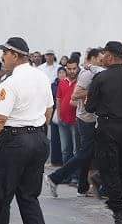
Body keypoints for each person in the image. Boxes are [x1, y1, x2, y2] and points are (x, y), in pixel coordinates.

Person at [0, 37, 53, 224]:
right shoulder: (42, 77)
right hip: (38, 139)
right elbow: (49, 110)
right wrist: (38, 131)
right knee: (29, 197)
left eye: (5, 53)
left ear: (15, 55)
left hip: (14, 142)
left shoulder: (10, 82)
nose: (2, 58)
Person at [85, 41, 122, 224]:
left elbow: (90, 106)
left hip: (108, 128)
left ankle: (119, 213)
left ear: (110, 56)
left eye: (104, 54)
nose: (102, 58)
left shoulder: (101, 78)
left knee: (110, 171)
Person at [45, 48, 104, 197]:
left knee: (88, 154)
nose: (102, 60)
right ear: (93, 58)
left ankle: (82, 187)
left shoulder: (94, 71)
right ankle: (55, 177)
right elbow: (76, 94)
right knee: (84, 153)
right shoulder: (87, 74)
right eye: (100, 58)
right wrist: (96, 91)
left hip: (90, 119)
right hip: (86, 119)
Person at [56, 59, 79, 174]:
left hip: (75, 121)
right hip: (63, 121)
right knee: (65, 150)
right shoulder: (62, 82)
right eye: (69, 69)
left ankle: (75, 176)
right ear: (66, 69)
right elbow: (58, 100)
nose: (72, 71)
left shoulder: (80, 83)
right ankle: (65, 175)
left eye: (74, 68)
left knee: (76, 150)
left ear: (78, 68)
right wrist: (59, 115)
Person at [50, 67, 66, 166]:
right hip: (54, 112)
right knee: (54, 138)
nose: (61, 74)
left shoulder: (67, 84)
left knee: (64, 139)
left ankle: (63, 161)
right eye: (59, 72)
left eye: (63, 72)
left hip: (64, 113)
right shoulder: (53, 85)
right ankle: (55, 161)